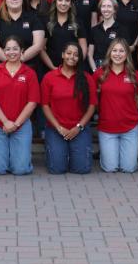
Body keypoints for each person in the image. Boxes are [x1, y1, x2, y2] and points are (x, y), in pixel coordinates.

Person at [0, 37, 39, 175]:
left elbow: (32, 102)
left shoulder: (30, 73)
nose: (12, 52)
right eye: (8, 49)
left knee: (20, 170)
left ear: (22, 51)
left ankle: (20, 158)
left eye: (15, 49)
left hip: (21, 123)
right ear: (3, 51)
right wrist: (5, 121)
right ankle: (3, 156)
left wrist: (15, 124)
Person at [41, 42, 97, 175]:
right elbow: (45, 105)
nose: (72, 57)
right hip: (56, 128)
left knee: (82, 169)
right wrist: (59, 128)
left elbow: (92, 105)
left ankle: (71, 153)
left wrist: (79, 127)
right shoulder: (49, 77)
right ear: (62, 55)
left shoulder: (86, 78)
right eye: (69, 53)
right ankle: (60, 153)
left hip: (79, 128)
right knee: (57, 169)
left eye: (76, 55)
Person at [96, 39, 138, 173]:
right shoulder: (100, 74)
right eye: (114, 50)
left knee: (129, 168)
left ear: (127, 54)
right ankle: (105, 156)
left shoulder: (134, 75)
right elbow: (94, 99)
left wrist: (127, 111)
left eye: (121, 51)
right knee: (110, 168)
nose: (118, 54)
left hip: (129, 127)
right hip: (107, 127)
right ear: (109, 53)